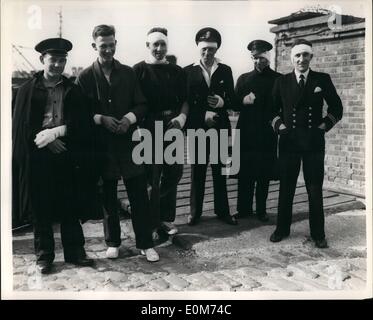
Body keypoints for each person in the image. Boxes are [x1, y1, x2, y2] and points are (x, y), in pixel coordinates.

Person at [76, 25, 159, 262]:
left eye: (112, 44)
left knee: (139, 195)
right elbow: (80, 113)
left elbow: (141, 104)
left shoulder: (128, 73)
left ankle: (145, 243)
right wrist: (100, 118)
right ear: (94, 46)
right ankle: (113, 242)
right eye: (103, 45)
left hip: (129, 143)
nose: (109, 49)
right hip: (102, 146)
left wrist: (129, 119)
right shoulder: (84, 77)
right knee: (107, 196)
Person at [12, 38, 96, 274]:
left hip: (67, 153)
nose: (58, 65)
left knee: (69, 203)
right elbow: (22, 127)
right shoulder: (27, 90)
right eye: (53, 60)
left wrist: (59, 133)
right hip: (38, 156)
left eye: (62, 60)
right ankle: (44, 256)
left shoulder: (73, 90)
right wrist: (47, 141)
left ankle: (75, 252)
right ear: (42, 60)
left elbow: (82, 124)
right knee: (41, 206)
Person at [270, 39, 343, 248]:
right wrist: (280, 127)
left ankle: (318, 233)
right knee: (286, 187)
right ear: (292, 58)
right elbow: (271, 110)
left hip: (313, 142)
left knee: (314, 188)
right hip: (289, 142)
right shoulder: (282, 82)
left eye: (305, 55)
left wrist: (324, 125)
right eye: (297, 56)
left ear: (311, 57)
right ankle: (282, 229)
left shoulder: (322, 79)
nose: (301, 59)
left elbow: (337, 108)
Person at [133, 27, 188, 237]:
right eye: (155, 44)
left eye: (163, 44)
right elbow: (133, 101)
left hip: (172, 124)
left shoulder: (177, 71)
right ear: (148, 46)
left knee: (173, 172)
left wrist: (181, 117)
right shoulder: (138, 70)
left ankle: (164, 218)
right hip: (147, 125)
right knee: (150, 176)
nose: (159, 48)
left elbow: (185, 100)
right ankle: (150, 222)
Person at [184, 27, 237, 226]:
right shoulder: (188, 71)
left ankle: (222, 211)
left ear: (216, 50)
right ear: (199, 48)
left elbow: (233, 99)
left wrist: (223, 102)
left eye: (211, 50)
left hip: (220, 128)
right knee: (197, 171)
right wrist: (202, 114)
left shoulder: (225, 70)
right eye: (204, 49)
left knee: (220, 171)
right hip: (197, 128)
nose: (207, 54)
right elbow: (186, 101)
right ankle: (195, 213)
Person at [234, 40, 281, 222]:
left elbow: (281, 105)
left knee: (264, 172)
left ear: (267, 57)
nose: (258, 62)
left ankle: (261, 209)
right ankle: (243, 209)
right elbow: (233, 103)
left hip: (266, 131)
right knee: (245, 172)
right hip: (245, 130)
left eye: (261, 58)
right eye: (254, 58)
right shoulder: (244, 79)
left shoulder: (277, 79)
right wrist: (243, 101)